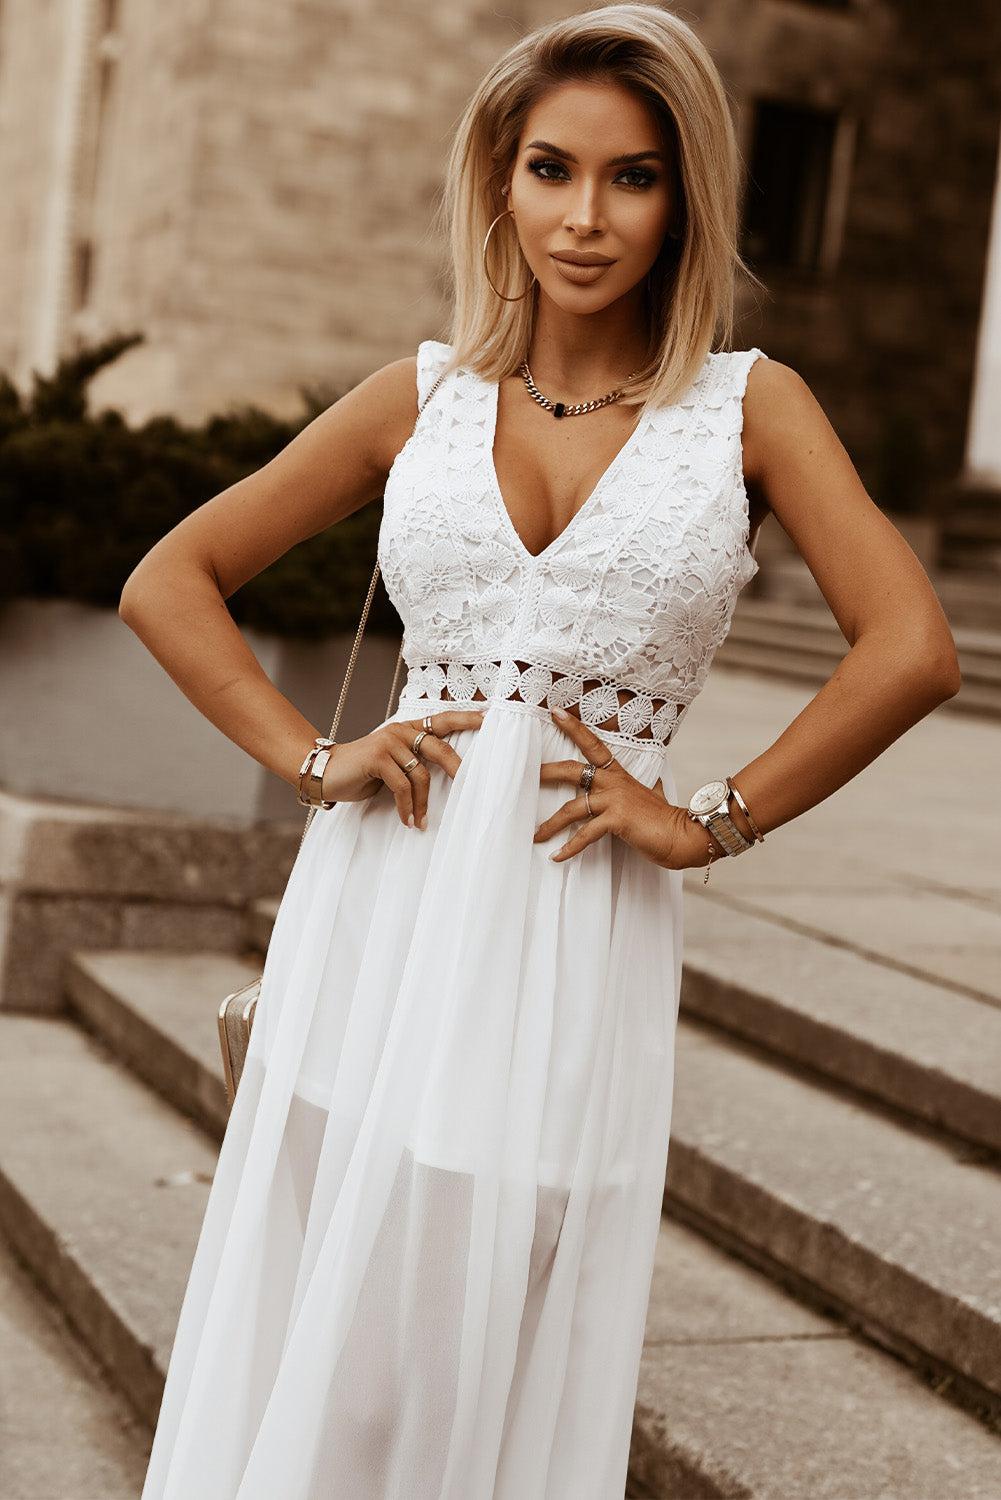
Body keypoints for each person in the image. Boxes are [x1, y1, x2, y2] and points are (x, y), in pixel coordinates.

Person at [121, 5, 961, 1497]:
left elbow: (908, 648)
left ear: (683, 194)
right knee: (342, 1331)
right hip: (379, 905)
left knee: (477, 1337)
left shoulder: (747, 409)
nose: (585, 217)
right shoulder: (421, 396)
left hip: (570, 920)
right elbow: (167, 579)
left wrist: (712, 817)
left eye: (631, 177)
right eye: (551, 170)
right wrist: (315, 758)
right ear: (498, 183)